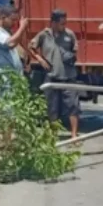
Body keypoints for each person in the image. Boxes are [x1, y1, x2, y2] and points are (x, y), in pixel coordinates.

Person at [29, 9, 80, 139]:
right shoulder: (44, 35)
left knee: (73, 106)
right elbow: (31, 47)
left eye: (65, 23)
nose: (64, 26)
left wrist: (72, 57)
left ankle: (74, 135)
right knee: (51, 107)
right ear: (53, 23)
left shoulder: (69, 35)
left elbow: (75, 50)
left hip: (68, 77)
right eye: (62, 24)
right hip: (51, 77)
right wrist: (39, 59)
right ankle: (53, 135)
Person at [0, 6, 28, 73]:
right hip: (3, 75)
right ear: (3, 18)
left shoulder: (7, 32)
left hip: (12, 75)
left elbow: (14, 44)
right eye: (13, 20)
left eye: (16, 20)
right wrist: (22, 27)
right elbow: (10, 43)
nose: (14, 23)